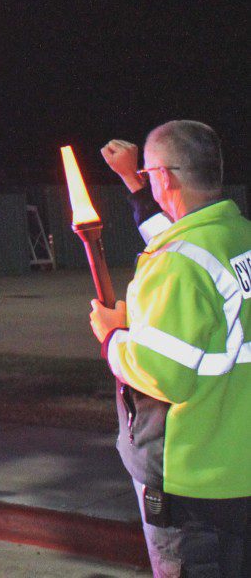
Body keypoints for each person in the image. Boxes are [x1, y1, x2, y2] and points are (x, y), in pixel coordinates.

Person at [91, 121, 251, 576]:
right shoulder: (240, 237)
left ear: (163, 176)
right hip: (241, 466)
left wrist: (111, 337)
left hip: (195, 480)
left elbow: (165, 374)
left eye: (148, 172)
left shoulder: (180, 258)